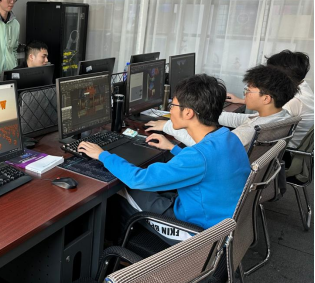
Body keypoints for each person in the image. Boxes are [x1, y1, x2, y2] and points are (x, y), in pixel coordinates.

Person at [78, 74, 250, 242]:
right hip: (219, 222)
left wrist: (102, 155)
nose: (170, 110)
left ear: (188, 113)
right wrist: (172, 148)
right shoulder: (228, 137)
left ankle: (119, 252)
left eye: (173, 105)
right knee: (156, 190)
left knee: (124, 189)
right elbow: (209, 165)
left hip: (199, 236)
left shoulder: (198, 156)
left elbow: (138, 179)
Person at [147, 65, 298, 149]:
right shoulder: (279, 116)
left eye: (249, 90)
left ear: (266, 98)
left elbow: (209, 150)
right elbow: (235, 118)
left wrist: (168, 126)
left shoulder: (249, 132)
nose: (245, 94)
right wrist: (204, 108)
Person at [227, 50, 313, 149]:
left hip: (285, 149)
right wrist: (245, 100)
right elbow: (260, 116)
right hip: (276, 148)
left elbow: (261, 120)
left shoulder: (294, 101)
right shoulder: (302, 89)